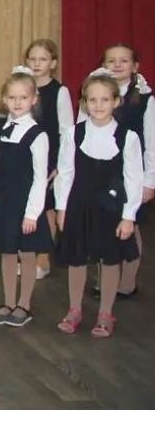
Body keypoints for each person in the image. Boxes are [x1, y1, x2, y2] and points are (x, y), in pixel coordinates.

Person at [55, 68, 143, 338]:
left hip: (111, 209)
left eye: (105, 100)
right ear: (84, 103)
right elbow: (65, 172)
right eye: (92, 100)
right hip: (79, 205)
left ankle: (105, 312)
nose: (98, 105)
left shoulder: (127, 137)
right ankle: (74, 309)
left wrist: (129, 216)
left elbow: (133, 179)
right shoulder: (74, 134)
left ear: (116, 101)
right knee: (77, 258)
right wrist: (61, 208)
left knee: (109, 259)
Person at [0, 67, 53, 327]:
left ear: (33, 99)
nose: (17, 102)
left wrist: (32, 213)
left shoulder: (37, 135)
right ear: (5, 99)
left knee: (27, 252)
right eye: (12, 97)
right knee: (7, 252)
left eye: (23, 97)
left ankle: (24, 303)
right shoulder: (2, 131)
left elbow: (40, 178)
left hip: (26, 203)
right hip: (4, 200)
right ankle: (8, 301)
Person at [98, 43, 154, 299]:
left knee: (130, 225)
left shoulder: (145, 99)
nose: (117, 65)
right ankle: (106, 279)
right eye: (111, 60)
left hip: (131, 173)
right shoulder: (98, 94)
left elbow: (151, 142)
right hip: (102, 171)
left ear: (135, 66)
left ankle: (127, 281)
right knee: (103, 225)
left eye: (123, 60)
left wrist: (149, 181)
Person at [24, 38, 72, 279]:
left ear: (53, 63)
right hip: (26, 157)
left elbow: (66, 132)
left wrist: (59, 165)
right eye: (32, 59)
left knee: (46, 210)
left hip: (49, 161)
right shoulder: (24, 88)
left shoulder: (59, 92)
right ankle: (27, 256)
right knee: (27, 207)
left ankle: (43, 260)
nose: (36, 63)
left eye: (42, 59)